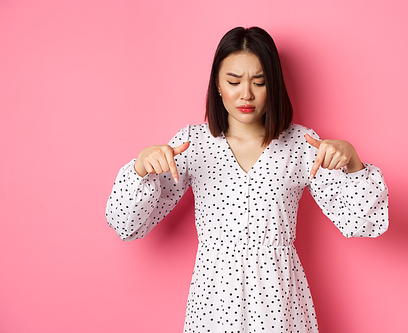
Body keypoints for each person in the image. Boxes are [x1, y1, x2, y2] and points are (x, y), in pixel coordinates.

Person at [106, 26, 388, 332]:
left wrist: (354, 161)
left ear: (274, 85)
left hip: (279, 300)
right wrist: (140, 169)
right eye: (233, 81)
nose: (246, 94)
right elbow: (126, 225)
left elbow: (363, 223)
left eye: (259, 81)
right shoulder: (192, 145)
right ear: (217, 83)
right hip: (213, 301)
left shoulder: (301, 145)